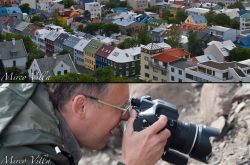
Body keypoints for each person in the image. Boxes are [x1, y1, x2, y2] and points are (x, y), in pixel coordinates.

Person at [0, 83, 171, 165]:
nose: (126, 116)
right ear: (81, 106)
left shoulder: (25, 99)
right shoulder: (25, 153)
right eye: (120, 107)